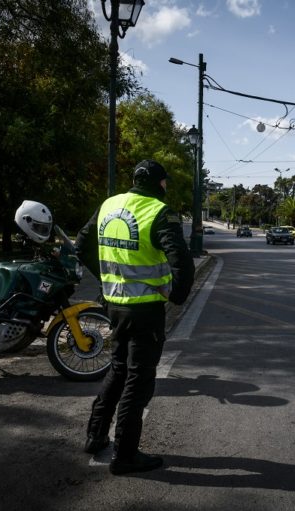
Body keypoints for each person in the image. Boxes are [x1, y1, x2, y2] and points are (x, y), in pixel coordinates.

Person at [76, 159, 195, 475]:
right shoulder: (159, 211)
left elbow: (81, 244)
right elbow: (182, 262)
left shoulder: (109, 205)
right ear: (160, 183)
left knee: (117, 370)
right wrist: (178, 297)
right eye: (165, 184)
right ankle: (125, 455)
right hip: (144, 310)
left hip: (113, 304)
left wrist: (105, 279)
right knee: (138, 380)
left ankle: (95, 434)